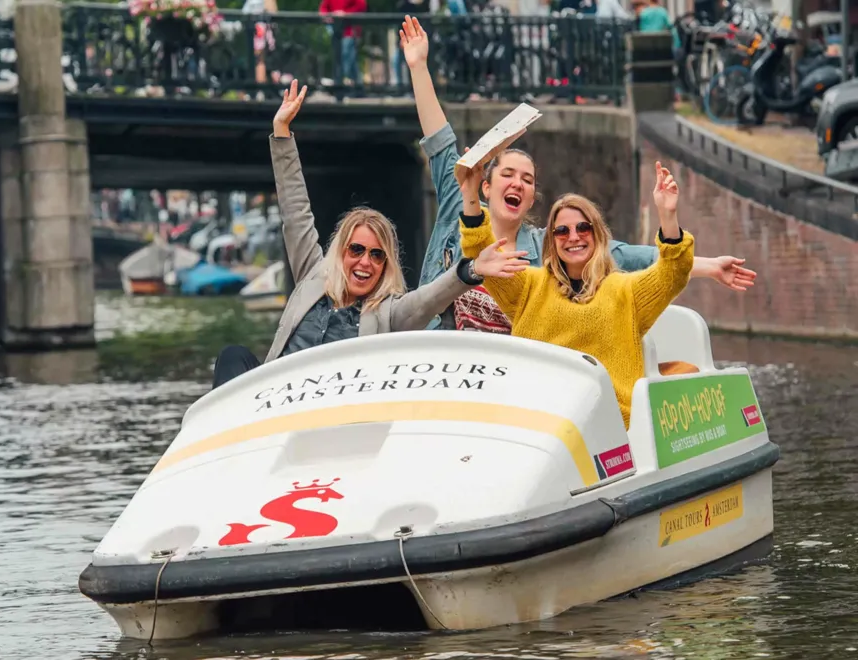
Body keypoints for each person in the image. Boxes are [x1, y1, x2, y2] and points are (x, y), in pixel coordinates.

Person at [398, 14, 754, 332]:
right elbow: (439, 139)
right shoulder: (459, 199)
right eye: (508, 174)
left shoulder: (545, 246)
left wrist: (708, 266)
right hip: (436, 351)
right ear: (486, 185)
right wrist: (418, 66)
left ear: (531, 198)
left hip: (504, 369)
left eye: (527, 180)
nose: (518, 183)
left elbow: (627, 255)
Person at [211, 80, 523, 389]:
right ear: (341, 252)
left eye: (377, 255)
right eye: (357, 250)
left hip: (333, 408)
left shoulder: (389, 314)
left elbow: (429, 300)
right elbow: (295, 212)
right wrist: (281, 133)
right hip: (276, 397)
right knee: (232, 355)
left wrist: (470, 270)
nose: (365, 262)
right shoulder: (313, 274)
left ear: (386, 265)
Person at [463, 161, 694, 427]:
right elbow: (480, 249)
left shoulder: (626, 291)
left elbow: (674, 271)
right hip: (534, 420)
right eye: (562, 231)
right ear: (552, 240)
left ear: (597, 234)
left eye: (583, 228)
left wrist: (668, 215)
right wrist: (470, 193)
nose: (573, 236)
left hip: (605, 426)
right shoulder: (529, 286)